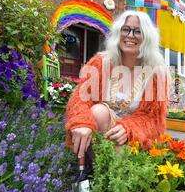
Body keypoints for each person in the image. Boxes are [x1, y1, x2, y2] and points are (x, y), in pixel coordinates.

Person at [65, 10, 170, 161]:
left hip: (134, 139)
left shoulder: (156, 73)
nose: (130, 35)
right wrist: (81, 122)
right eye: (126, 29)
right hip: (101, 133)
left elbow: (153, 119)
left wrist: (130, 128)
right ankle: (94, 168)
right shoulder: (101, 62)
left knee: (122, 146)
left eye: (137, 31)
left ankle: (115, 177)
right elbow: (79, 99)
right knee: (98, 111)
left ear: (147, 37)